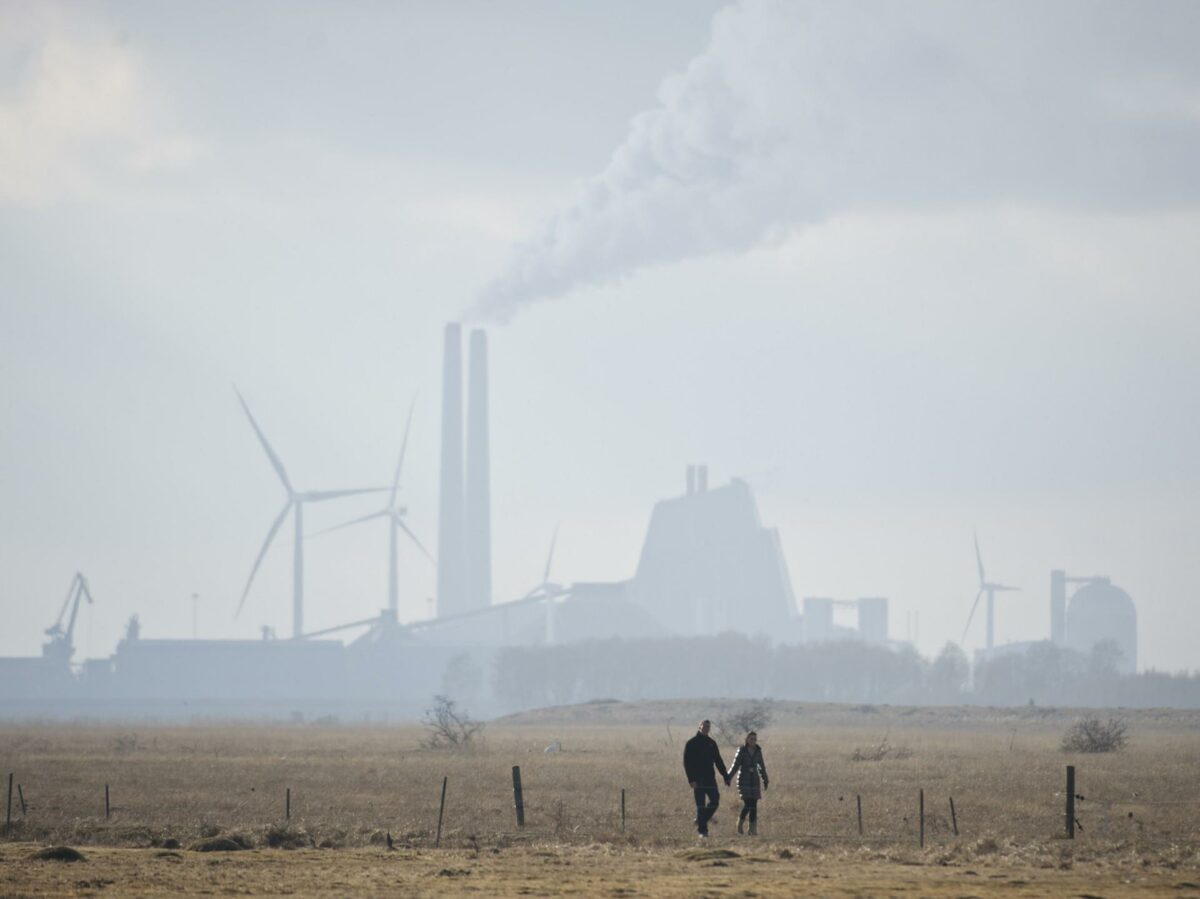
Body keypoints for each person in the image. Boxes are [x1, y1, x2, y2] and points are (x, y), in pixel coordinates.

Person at [683, 719, 730, 839]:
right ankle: (702, 832)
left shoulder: (712, 743)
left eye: (708, 727)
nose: (706, 728)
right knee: (701, 805)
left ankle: (700, 819)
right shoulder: (691, 743)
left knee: (715, 800)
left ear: (709, 729)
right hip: (697, 779)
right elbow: (687, 763)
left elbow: (718, 761)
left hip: (710, 778)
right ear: (699, 727)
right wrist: (691, 780)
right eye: (704, 726)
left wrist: (725, 776)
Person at [728, 731, 769, 835]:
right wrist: (728, 777)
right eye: (751, 739)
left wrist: (765, 779)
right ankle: (740, 823)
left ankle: (752, 830)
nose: (753, 741)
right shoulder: (741, 751)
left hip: (754, 780)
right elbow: (735, 765)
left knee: (754, 804)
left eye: (755, 739)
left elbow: (761, 766)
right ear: (746, 740)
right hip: (743, 780)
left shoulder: (758, 751)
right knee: (748, 803)